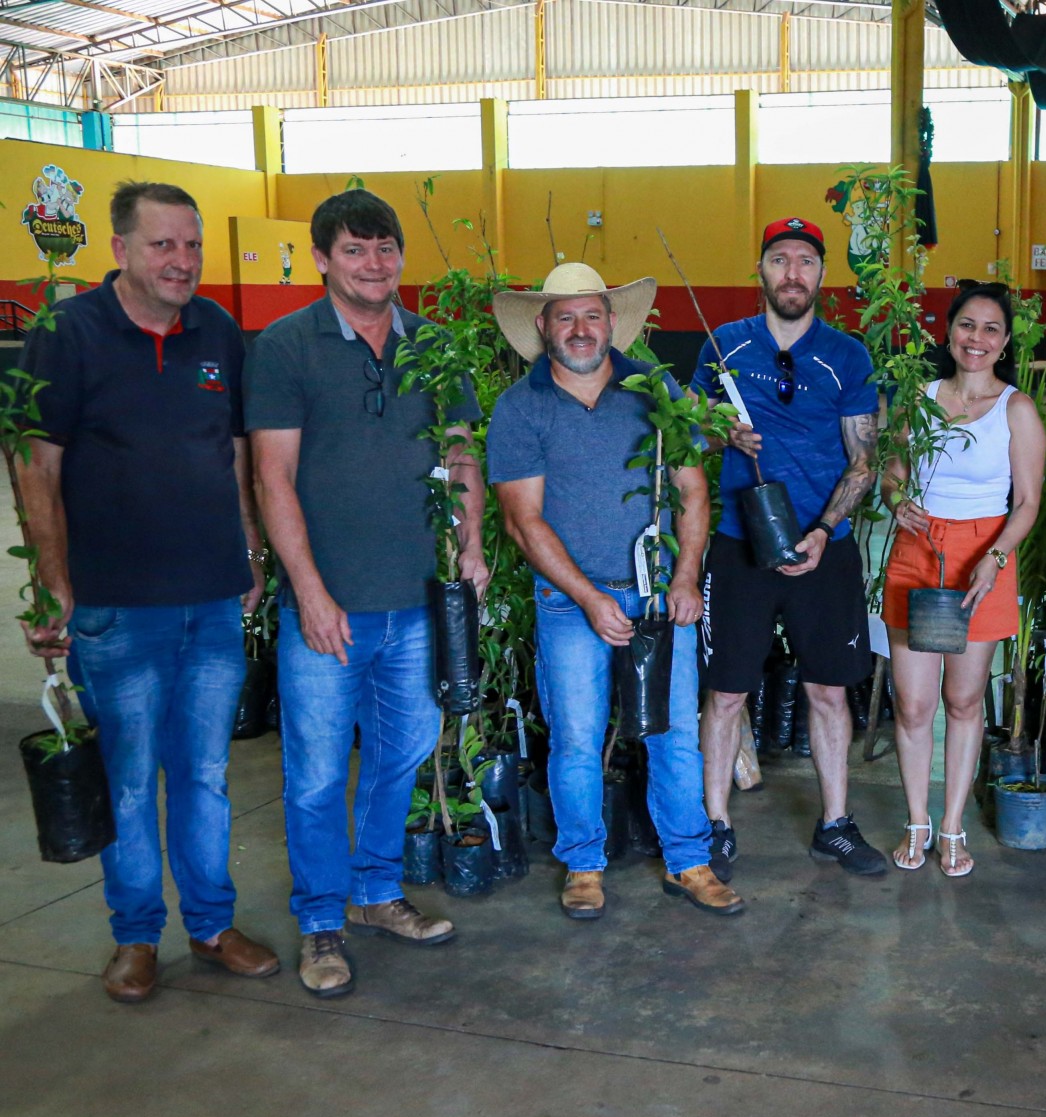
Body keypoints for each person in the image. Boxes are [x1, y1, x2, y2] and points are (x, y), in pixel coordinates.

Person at [19, 180, 278, 1002]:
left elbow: (234, 449)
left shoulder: (218, 332)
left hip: (210, 598)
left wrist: (250, 547)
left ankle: (209, 925)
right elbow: (35, 463)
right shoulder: (68, 333)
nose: (182, 260)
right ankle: (135, 936)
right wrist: (52, 581)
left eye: (192, 244)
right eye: (163, 244)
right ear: (119, 249)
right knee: (129, 777)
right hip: (114, 606)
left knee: (202, 774)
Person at [247, 189, 487, 999]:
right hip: (330, 608)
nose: (372, 264)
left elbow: (460, 458)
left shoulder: (436, 345)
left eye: (384, 249)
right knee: (316, 773)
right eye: (353, 250)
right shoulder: (285, 348)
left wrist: (471, 545)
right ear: (321, 258)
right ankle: (321, 920)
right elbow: (271, 476)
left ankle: (377, 893)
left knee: (401, 757)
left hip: (418, 605)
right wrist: (309, 592)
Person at [489, 264, 741, 919]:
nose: (579, 329)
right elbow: (524, 520)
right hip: (571, 604)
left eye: (591, 314)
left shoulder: (652, 388)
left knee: (674, 734)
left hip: (658, 596)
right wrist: (589, 598)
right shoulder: (522, 408)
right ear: (542, 326)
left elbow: (691, 488)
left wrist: (686, 575)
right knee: (575, 737)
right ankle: (583, 865)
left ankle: (688, 860)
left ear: (611, 321)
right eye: (564, 316)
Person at [692, 217, 887, 878]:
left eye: (806, 260)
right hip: (738, 544)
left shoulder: (848, 356)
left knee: (829, 692)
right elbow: (690, 438)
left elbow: (863, 463)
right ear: (762, 270)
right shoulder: (724, 348)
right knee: (724, 693)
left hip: (821, 548)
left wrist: (823, 531)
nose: (793, 272)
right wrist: (724, 435)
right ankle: (713, 826)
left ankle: (835, 824)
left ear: (821, 275)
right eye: (780, 259)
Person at [879, 282, 1045, 876]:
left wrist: (995, 556)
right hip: (919, 550)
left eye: (991, 329)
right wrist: (897, 501)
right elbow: (891, 476)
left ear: (1004, 343)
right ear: (948, 335)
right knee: (915, 703)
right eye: (967, 326)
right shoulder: (918, 400)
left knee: (964, 698)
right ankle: (916, 821)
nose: (978, 339)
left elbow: (1027, 502)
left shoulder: (1016, 409)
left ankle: (952, 825)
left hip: (985, 556)